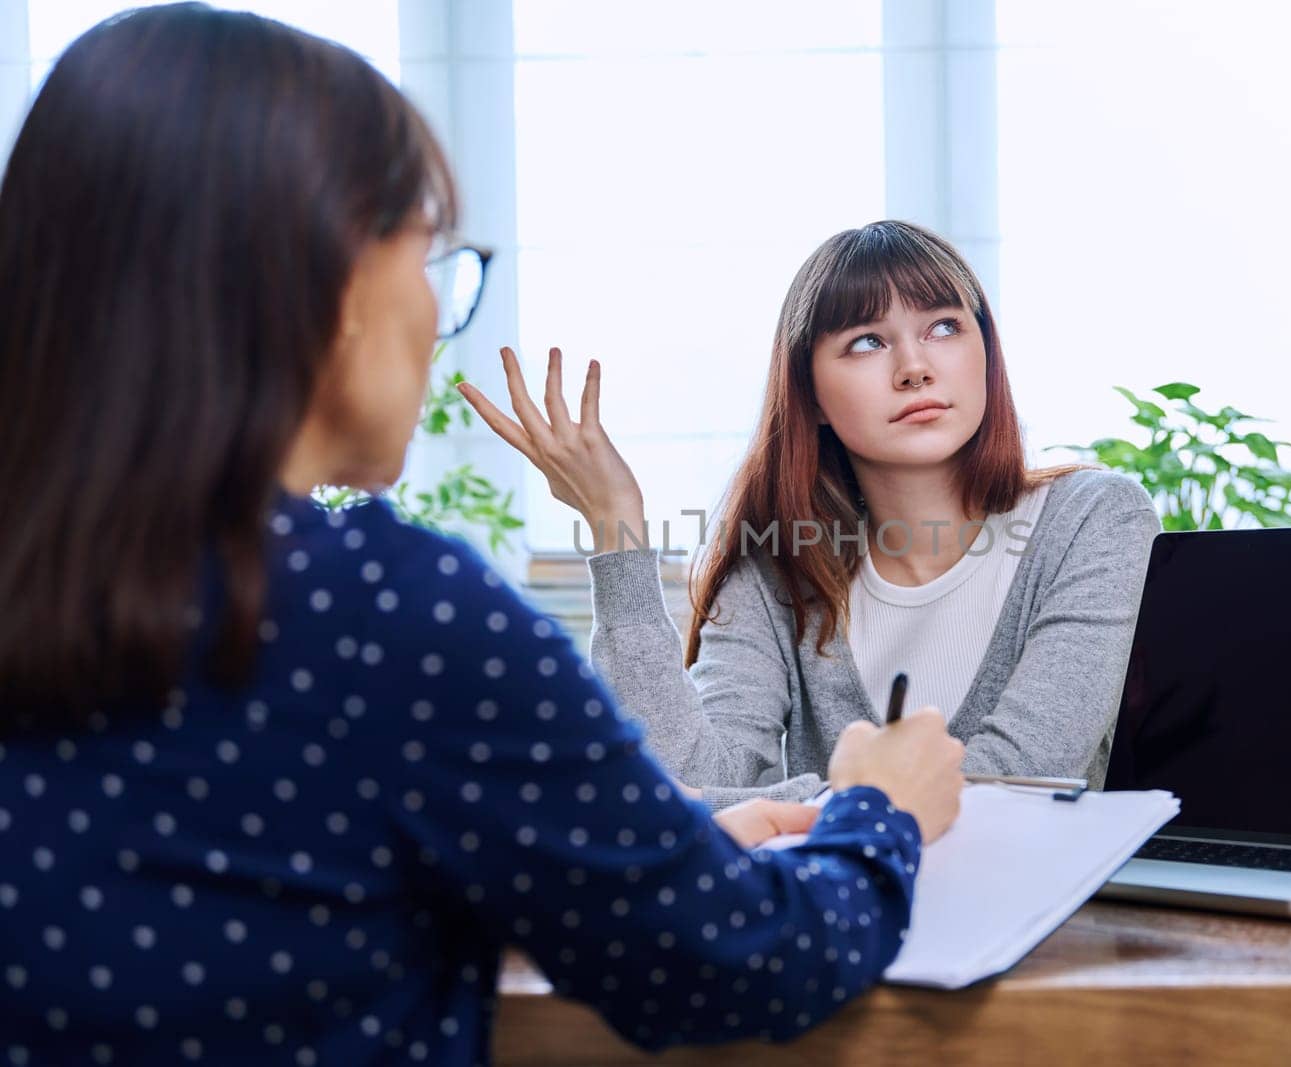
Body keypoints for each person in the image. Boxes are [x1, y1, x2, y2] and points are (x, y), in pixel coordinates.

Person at [0, 6, 966, 1063]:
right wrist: (879, 812)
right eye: (431, 255)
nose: (436, 311)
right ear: (327, 281)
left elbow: (264, 904)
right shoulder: (391, 615)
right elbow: (737, 959)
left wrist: (636, 861)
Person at [461, 221, 1162, 809]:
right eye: (867, 340)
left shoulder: (1092, 521)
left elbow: (1015, 788)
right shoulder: (776, 568)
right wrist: (616, 524)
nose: (915, 367)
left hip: (1044, 954)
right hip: (832, 951)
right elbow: (680, 788)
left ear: (986, 352)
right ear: (813, 395)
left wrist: (791, 806)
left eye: (944, 326)